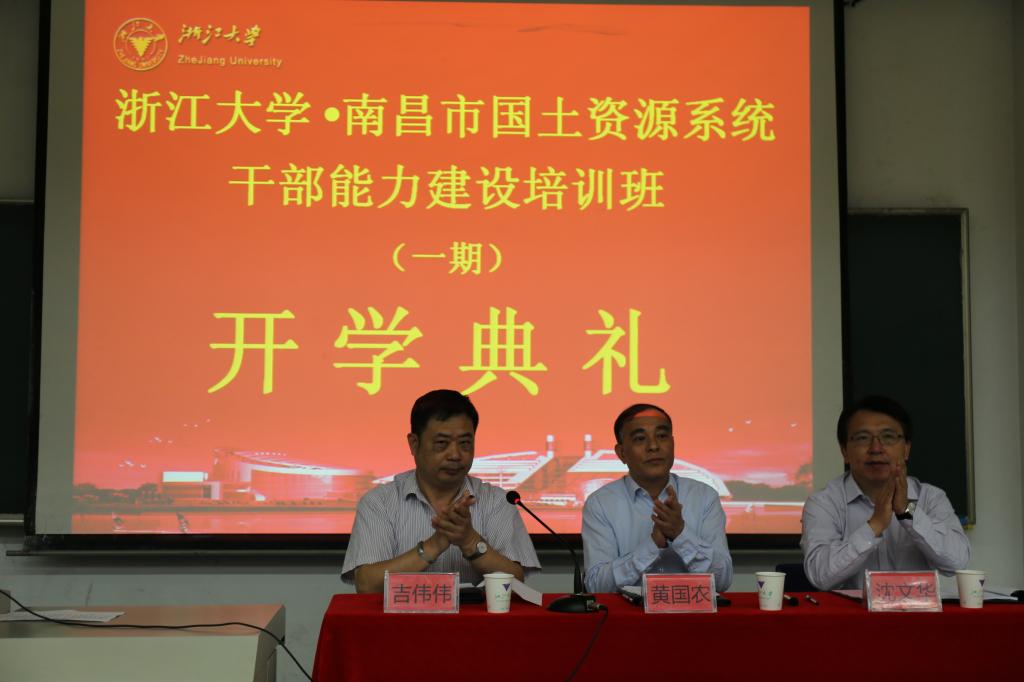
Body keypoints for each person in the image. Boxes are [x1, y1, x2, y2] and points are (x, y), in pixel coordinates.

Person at [342, 389, 540, 592]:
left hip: (475, 615)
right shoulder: (379, 503)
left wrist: (470, 541)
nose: (455, 455)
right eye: (442, 443)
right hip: (404, 614)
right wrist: (434, 545)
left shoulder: (496, 501)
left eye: (465, 443)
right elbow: (367, 586)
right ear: (414, 444)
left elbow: (515, 584)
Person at [801, 395, 970, 590]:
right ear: (844, 451)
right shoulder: (824, 503)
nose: (876, 448)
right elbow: (820, 576)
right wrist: (874, 525)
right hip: (852, 611)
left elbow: (957, 562)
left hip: (915, 610)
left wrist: (907, 511)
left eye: (888, 437)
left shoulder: (931, 498)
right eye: (863, 438)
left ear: (906, 449)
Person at [582, 403, 733, 593]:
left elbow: (722, 581)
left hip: (691, 611)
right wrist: (652, 545)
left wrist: (680, 533)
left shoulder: (704, 497)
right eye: (640, 439)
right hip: (629, 612)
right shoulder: (600, 504)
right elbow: (596, 586)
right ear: (621, 453)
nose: (653, 446)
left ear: (673, 444)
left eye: (662, 436)